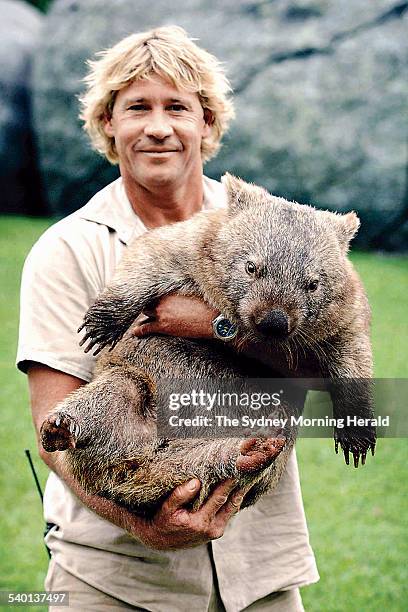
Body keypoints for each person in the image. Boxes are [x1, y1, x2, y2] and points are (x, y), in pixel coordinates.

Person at [17, 26, 318, 611]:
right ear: (108, 124)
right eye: (136, 108)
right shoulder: (67, 251)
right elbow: (55, 430)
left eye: (177, 107)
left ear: (206, 124)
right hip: (115, 578)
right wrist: (145, 524)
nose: (158, 127)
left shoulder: (271, 233)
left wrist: (213, 325)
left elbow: (329, 379)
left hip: (261, 573)